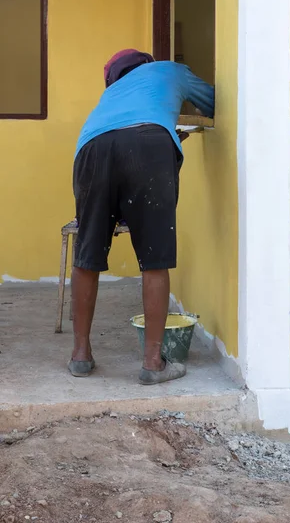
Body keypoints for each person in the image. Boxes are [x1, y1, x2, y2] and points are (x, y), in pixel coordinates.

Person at [69, 49, 215, 384]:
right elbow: (215, 103)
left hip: (91, 149)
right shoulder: (169, 70)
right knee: (154, 258)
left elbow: (120, 134)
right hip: (149, 145)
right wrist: (163, 138)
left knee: (87, 255)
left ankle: (80, 355)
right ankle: (153, 363)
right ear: (146, 63)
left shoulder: (110, 97)